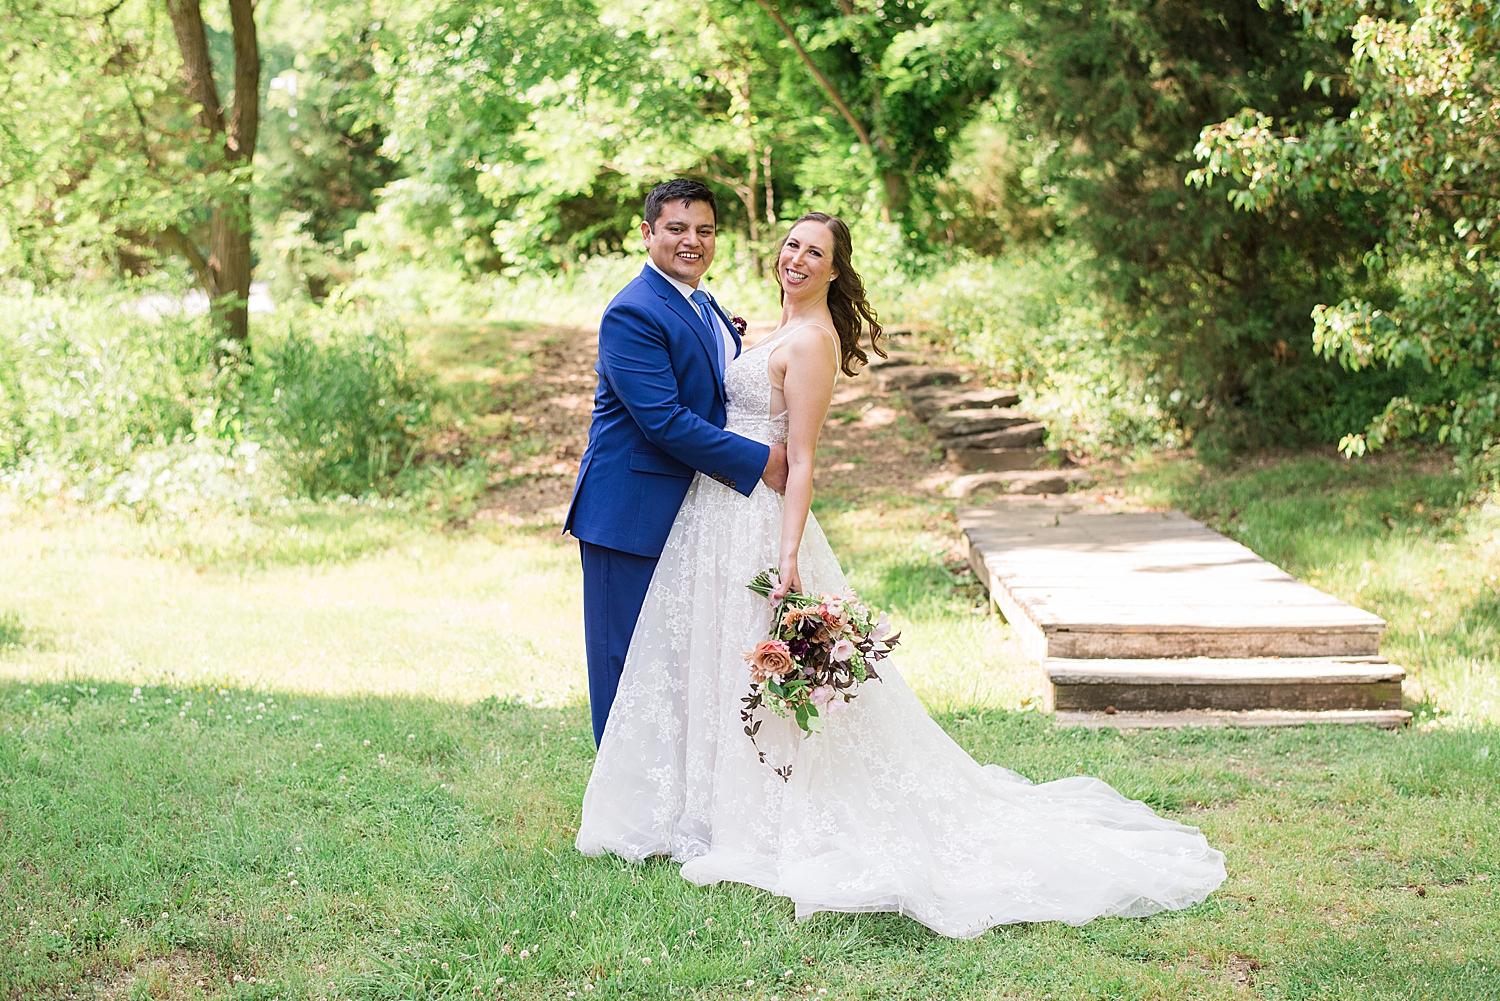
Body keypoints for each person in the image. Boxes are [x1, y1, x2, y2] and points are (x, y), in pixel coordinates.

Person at [575, 210, 1227, 938]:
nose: (796, 256)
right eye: (791, 243)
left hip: (760, 516)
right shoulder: (755, 325)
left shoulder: (814, 341)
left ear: (834, 269)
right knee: (720, 662)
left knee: (757, 665)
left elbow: (806, 457)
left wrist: (789, 553)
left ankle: (761, 811)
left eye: (814, 251)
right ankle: (712, 802)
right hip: (717, 516)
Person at [564, 179, 788, 747]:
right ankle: (621, 813)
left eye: (705, 230)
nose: (693, 241)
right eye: (677, 229)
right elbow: (662, 419)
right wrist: (761, 461)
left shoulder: (701, 301)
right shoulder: (632, 312)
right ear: (647, 234)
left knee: (671, 663)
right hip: (629, 513)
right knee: (624, 660)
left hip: (687, 510)